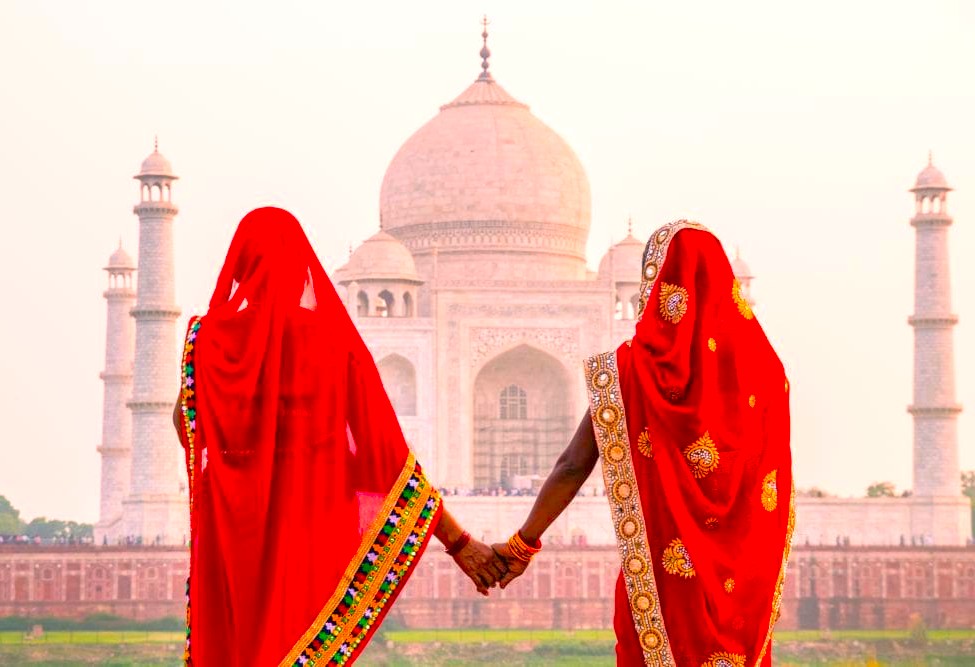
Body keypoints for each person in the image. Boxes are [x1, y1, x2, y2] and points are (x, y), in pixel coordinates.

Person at [172, 207, 505, 666]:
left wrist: (241, 464)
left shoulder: (205, 339)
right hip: (306, 523)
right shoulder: (330, 341)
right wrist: (460, 543)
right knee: (298, 642)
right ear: (301, 267)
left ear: (240, 265)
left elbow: (185, 425)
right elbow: (387, 457)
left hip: (233, 524)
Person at [489, 221, 794, 666]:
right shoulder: (766, 376)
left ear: (659, 284)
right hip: (744, 595)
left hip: (662, 587)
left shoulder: (632, 371)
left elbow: (574, 464)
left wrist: (521, 545)